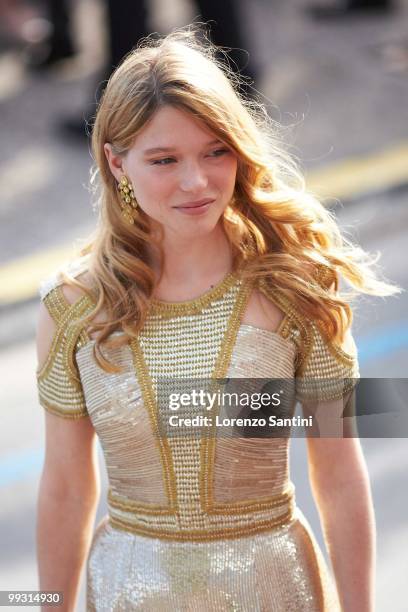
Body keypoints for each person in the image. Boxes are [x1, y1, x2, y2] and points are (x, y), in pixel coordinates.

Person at [35, 27, 399, 611]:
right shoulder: (74, 303)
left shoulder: (292, 284)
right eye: (164, 159)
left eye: (215, 151)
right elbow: (65, 488)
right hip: (131, 593)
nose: (196, 182)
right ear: (116, 161)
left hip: (275, 589)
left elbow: (339, 474)